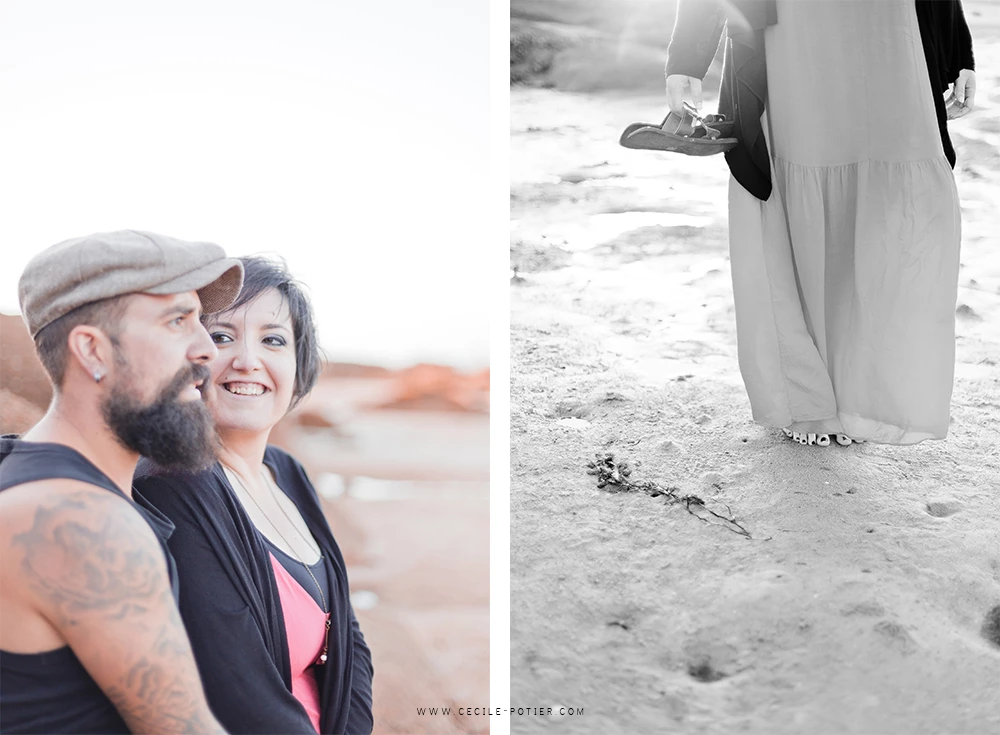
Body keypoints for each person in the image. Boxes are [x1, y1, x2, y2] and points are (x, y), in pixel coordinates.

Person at [663, 0, 976, 446]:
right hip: (796, 25)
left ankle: (860, 392)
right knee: (795, 184)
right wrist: (687, 56)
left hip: (891, 24)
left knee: (886, 202)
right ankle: (807, 399)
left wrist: (957, 48)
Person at [0, 230, 244, 733]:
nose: (207, 350)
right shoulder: (78, 521)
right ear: (91, 350)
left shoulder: (29, 476)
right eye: (177, 320)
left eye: (201, 320)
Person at [134, 256, 374, 735]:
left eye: (273, 340)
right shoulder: (172, 486)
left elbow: (348, 634)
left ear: (298, 362)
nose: (248, 360)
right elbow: (236, 691)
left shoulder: (287, 473)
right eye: (222, 337)